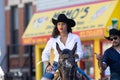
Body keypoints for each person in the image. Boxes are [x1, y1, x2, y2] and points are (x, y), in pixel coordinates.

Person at [41, 14, 91, 80]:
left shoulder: (75, 38)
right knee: (44, 79)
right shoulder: (53, 39)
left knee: (88, 78)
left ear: (67, 25)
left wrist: (74, 58)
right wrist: (48, 65)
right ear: (56, 26)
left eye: (63, 24)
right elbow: (45, 53)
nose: (61, 26)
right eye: (59, 24)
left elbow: (80, 52)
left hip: (72, 65)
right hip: (57, 66)